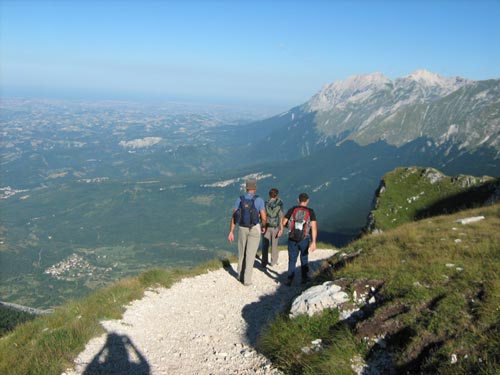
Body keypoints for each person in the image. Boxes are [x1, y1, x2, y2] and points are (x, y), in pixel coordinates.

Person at [227, 180, 267, 286]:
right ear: (255, 189)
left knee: (242, 252)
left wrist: (231, 231)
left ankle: (240, 274)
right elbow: (263, 217)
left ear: (246, 188)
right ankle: (247, 280)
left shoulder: (240, 199)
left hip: (242, 228)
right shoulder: (259, 200)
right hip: (254, 228)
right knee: (250, 254)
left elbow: (234, 216)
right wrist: (263, 226)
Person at [282, 192, 317, 286]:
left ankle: (289, 279)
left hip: (292, 238)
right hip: (304, 238)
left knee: (292, 259)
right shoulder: (310, 211)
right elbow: (313, 227)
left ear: (298, 200)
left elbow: (284, 222)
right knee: (304, 257)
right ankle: (304, 278)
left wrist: (290, 228)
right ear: (308, 201)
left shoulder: (293, 209)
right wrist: (313, 241)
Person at [261, 188, 284, 267]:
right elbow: (281, 217)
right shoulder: (279, 204)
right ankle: (273, 261)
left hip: (266, 226)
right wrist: (281, 229)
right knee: (274, 245)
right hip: (275, 227)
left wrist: (262, 226)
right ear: (276, 195)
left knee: (265, 245)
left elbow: (263, 216)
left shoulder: (265, 203)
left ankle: (264, 262)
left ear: (269, 194)